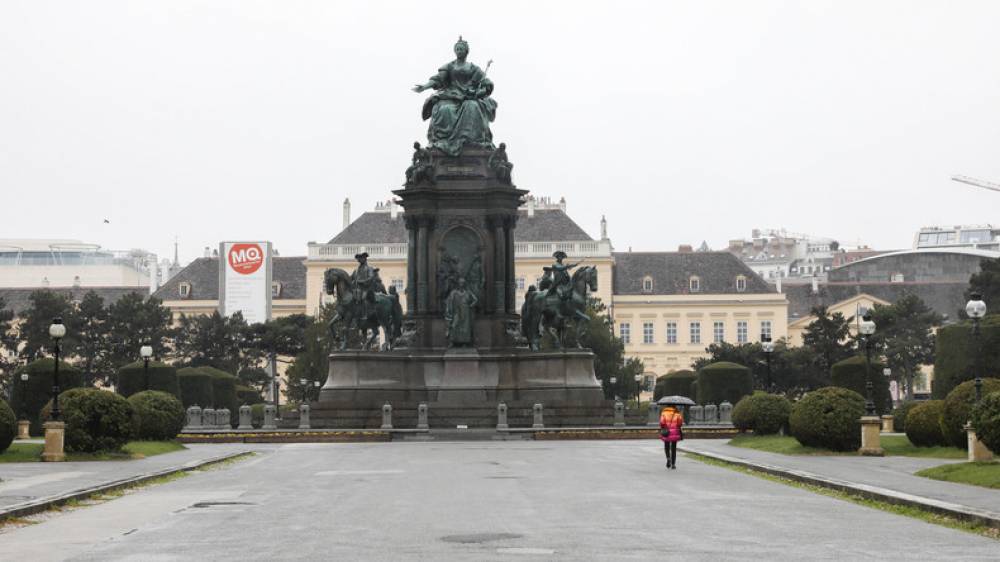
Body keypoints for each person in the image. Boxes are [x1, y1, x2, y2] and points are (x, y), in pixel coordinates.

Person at [659, 405, 684, 469]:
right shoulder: (677, 413)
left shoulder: (664, 412)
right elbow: (680, 423)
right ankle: (673, 464)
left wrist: (664, 426)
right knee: (673, 448)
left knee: (666, 446)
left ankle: (668, 458)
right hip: (675, 432)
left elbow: (662, 422)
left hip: (666, 432)